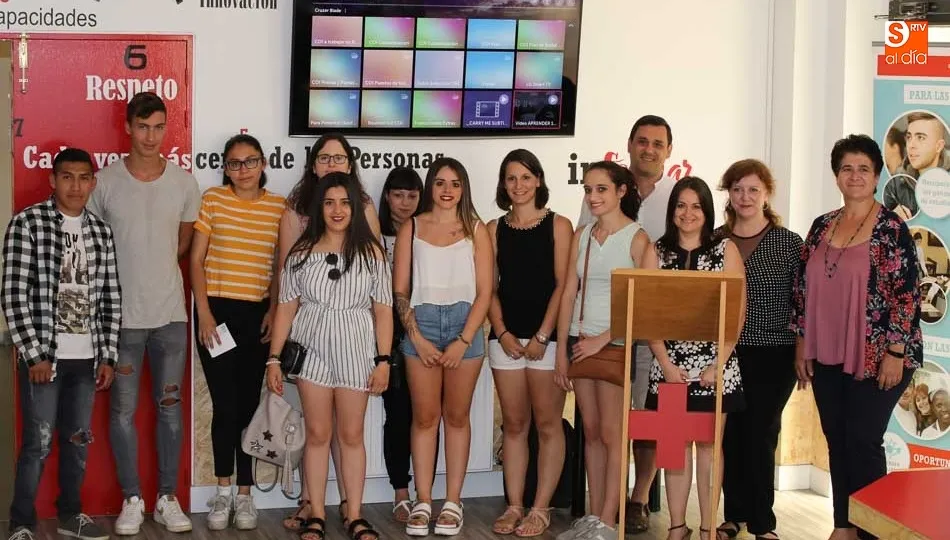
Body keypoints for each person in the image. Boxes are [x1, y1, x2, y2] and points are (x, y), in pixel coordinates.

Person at [791, 134, 922, 540]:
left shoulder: (891, 229)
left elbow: (907, 295)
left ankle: (871, 533)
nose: (855, 175)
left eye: (864, 168)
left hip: (880, 355)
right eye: (847, 167)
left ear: (877, 174)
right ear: (836, 176)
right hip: (827, 353)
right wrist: (801, 343)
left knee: (863, 442)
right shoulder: (821, 226)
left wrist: (895, 350)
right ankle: (843, 526)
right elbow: (801, 288)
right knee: (837, 440)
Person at [86, 91, 201, 535]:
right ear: (128, 127)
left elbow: (184, 243)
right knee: (121, 412)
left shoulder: (184, 183)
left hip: (170, 317)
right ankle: (132, 498)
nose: (151, 136)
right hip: (121, 322)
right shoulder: (107, 182)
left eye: (158, 127)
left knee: (169, 409)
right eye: (143, 126)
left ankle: (167, 497)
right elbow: (92, 245)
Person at [266, 171, 393, 540]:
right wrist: (273, 359)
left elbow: (383, 309)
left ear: (355, 207)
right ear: (319, 207)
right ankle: (317, 514)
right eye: (329, 202)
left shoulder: (371, 253)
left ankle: (355, 514)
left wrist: (383, 360)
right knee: (319, 434)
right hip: (313, 352)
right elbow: (286, 308)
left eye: (345, 202)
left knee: (352, 435)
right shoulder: (301, 254)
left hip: (357, 350)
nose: (337, 210)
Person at [3, 149, 120, 540]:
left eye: (83, 177)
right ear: (53, 180)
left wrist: (108, 355)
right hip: (46, 359)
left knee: (77, 442)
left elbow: (110, 298)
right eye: (67, 177)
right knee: (36, 444)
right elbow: (14, 294)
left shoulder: (101, 232)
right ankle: (21, 523)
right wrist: (34, 353)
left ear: (93, 182)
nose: (75, 186)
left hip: (86, 359)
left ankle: (71, 515)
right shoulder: (28, 224)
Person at [579, 114, 675, 533]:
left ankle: (635, 499)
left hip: (649, 333)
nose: (649, 149)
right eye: (642, 141)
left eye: (657, 143)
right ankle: (601, 510)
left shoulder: (675, 196)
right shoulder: (593, 214)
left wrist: (614, 333)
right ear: (630, 145)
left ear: (669, 150)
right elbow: (578, 278)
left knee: (647, 420)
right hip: (598, 336)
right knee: (600, 429)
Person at [189, 134, 285, 530]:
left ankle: (245, 496)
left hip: (257, 315)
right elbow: (196, 261)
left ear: (263, 164)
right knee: (224, 406)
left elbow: (282, 265)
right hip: (217, 313)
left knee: (247, 408)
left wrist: (275, 309)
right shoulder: (213, 199)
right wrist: (206, 314)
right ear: (224, 167)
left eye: (250, 161)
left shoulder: (279, 208)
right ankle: (223, 491)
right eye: (234, 163)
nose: (242, 169)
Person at [393, 157, 493, 537]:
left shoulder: (476, 229)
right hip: (421, 325)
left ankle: (452, 501)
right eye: (440, 182)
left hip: (464, 326)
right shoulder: (412, 227)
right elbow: (400, 290)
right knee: (424, 418)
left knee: (457, 417)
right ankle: (423, 500)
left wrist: (464, 339)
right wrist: (416, 337)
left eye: (455, 183)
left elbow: (485, 292)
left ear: (463, 188)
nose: (447, 190)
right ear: (430, 187)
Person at [642, 176, 746, 540]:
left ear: (707, 211)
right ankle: (676, 527)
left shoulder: (726, 249)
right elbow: (646, 313)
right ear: (672, 211)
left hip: (715, 368)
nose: (688, 214)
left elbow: (736, 314)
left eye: (696, 206)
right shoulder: (657, 251)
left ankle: (706, 529)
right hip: (668, 367)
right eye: (681, 206)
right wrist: (667, 365)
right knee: (674, 451)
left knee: (708, 448)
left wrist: (717, 365)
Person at [556, 161, 648, 540]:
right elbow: (567, 293)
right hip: (580, 344)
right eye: (588, 189)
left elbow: (646, 305)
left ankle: (610, 521)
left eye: (601, 189)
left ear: (621, 191)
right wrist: (562, 347)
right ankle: (595, 516)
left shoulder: (639, 240)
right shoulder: (582, 236)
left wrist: (605, 338)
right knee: (590, 432)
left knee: (613, 434)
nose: (592, 197)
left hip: (615, 346)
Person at [715, 160, 803, 540]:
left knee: (762, 433)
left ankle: (763, 522)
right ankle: (733, 514)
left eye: (753, 189)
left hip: (775, 354)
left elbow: (803, 303)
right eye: (737, 189)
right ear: (729, 195)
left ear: (767, 194)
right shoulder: (715, 238)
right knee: (730, 435)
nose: (745, 197)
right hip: (724, 354)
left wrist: (803, 351)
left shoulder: (788, 243)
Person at [488, 149, 573, 538]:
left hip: (547, 341)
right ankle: (514, 505)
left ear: (538, 180)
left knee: (548, 423)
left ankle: (541, 509)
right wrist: (503, 332)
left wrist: (542, 335)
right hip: (504, 341)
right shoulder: (492, 229)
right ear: (503, 185)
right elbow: (487, 289)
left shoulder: (559, 226)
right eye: (511, 178)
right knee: (515, 425)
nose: (518, 185)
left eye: (525, 177)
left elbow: (562, 286)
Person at [377, 166, 428, 523]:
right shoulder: (372, 235)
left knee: (425, 415)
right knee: (397, 416)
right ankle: (401, 490)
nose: (405, 203)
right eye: (398, 195)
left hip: (424, 333)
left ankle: (427, 492)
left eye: (412, 196)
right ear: (386, 197)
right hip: (385, 336)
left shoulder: (428, 234)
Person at [903, 112, 950, 176]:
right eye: (909, 137)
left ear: (939, 146)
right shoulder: (897, 180)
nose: (911, 145)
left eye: (920, 138)